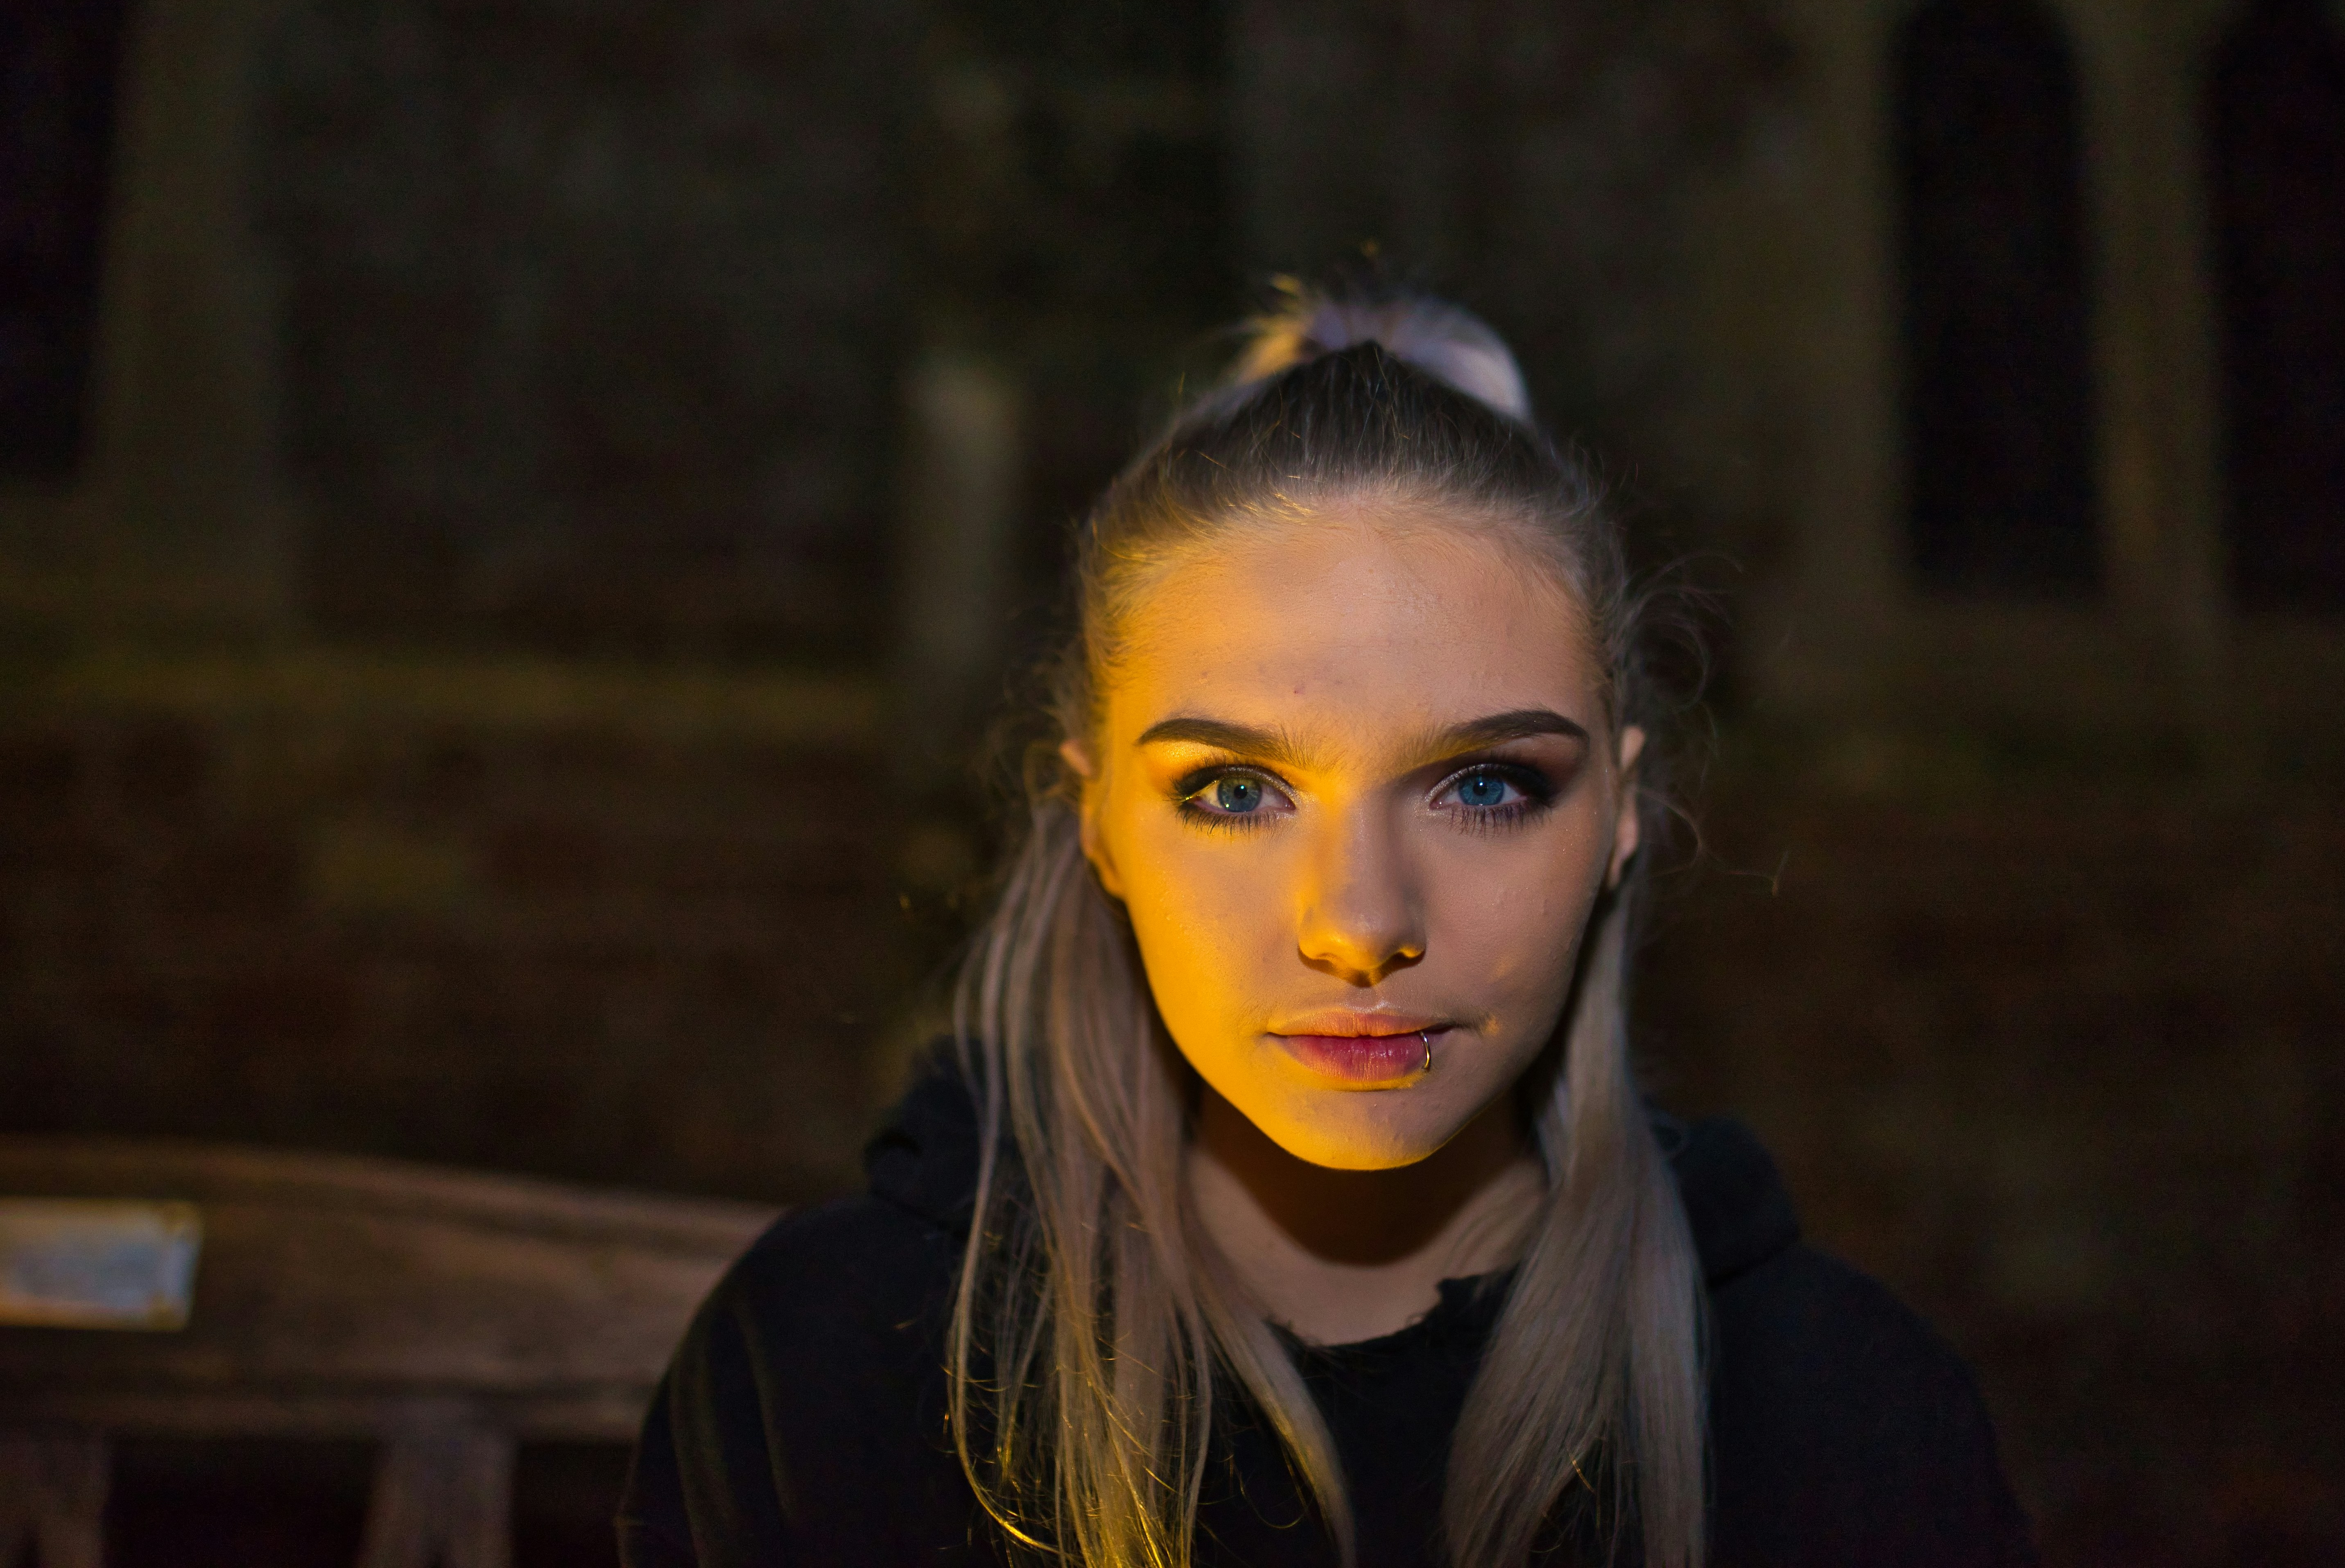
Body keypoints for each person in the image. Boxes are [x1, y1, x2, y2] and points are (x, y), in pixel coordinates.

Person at [618, 293, 2037, 1568]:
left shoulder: (1845, 1419)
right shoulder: (826, 1379)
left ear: (1620, 814)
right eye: (1236, 792)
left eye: (1485, 786)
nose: (1361, 925)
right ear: (1098, 819)